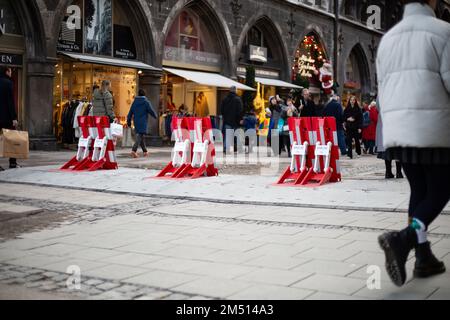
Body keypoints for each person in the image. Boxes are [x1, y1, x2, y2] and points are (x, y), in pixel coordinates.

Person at [376, 0, 450, 287]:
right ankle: (403, 239)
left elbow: (382, 88)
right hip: (435, 129)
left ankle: (423, 257)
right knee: (441, 189)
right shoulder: (443, 32)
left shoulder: (388, 39)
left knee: (419, 190)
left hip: (400, 131)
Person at [127, 89, 157, 158]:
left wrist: (128, 121)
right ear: (144, 94)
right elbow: (151, 110)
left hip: (136, 121)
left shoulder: (135, 102)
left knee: (141, 136)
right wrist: (155, 116)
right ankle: (133, 151)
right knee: (140, 136)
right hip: (143, 122)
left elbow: (130, 112)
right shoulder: (146, 102)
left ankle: (145, 151)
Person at [0, 66, 19, 170]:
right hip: (6, 117)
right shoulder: (8, 83)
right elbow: (10, 102)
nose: (11, 73)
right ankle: (12, 163)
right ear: (7, 72)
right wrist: (14, 117)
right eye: (10, 71)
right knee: (12, 139)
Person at [220, 86, 243, 154]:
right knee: (237, 135)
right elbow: (240, 110)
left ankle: (226, 148)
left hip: (227, 121)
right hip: (236, 121)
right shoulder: (238, 99)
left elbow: (222, 110)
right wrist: (240, 119)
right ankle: (238, 148)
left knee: (228, 135)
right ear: (235, 91)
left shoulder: (225, 99)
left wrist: (225, 117)